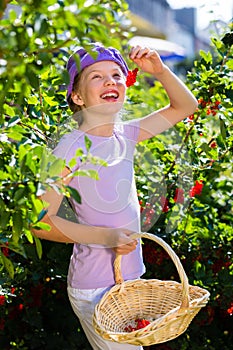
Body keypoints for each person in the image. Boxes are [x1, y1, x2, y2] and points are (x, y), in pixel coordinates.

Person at [33, 43, 197, 350]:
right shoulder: (69, 149)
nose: (110, 81)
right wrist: (106, 236)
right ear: (77, 97)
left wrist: (160, 71)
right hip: (95, 287)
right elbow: (39, 223)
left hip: (130, 279)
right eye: (97, 77)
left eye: (116, 74)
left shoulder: (126, 135)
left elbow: (185, 107)